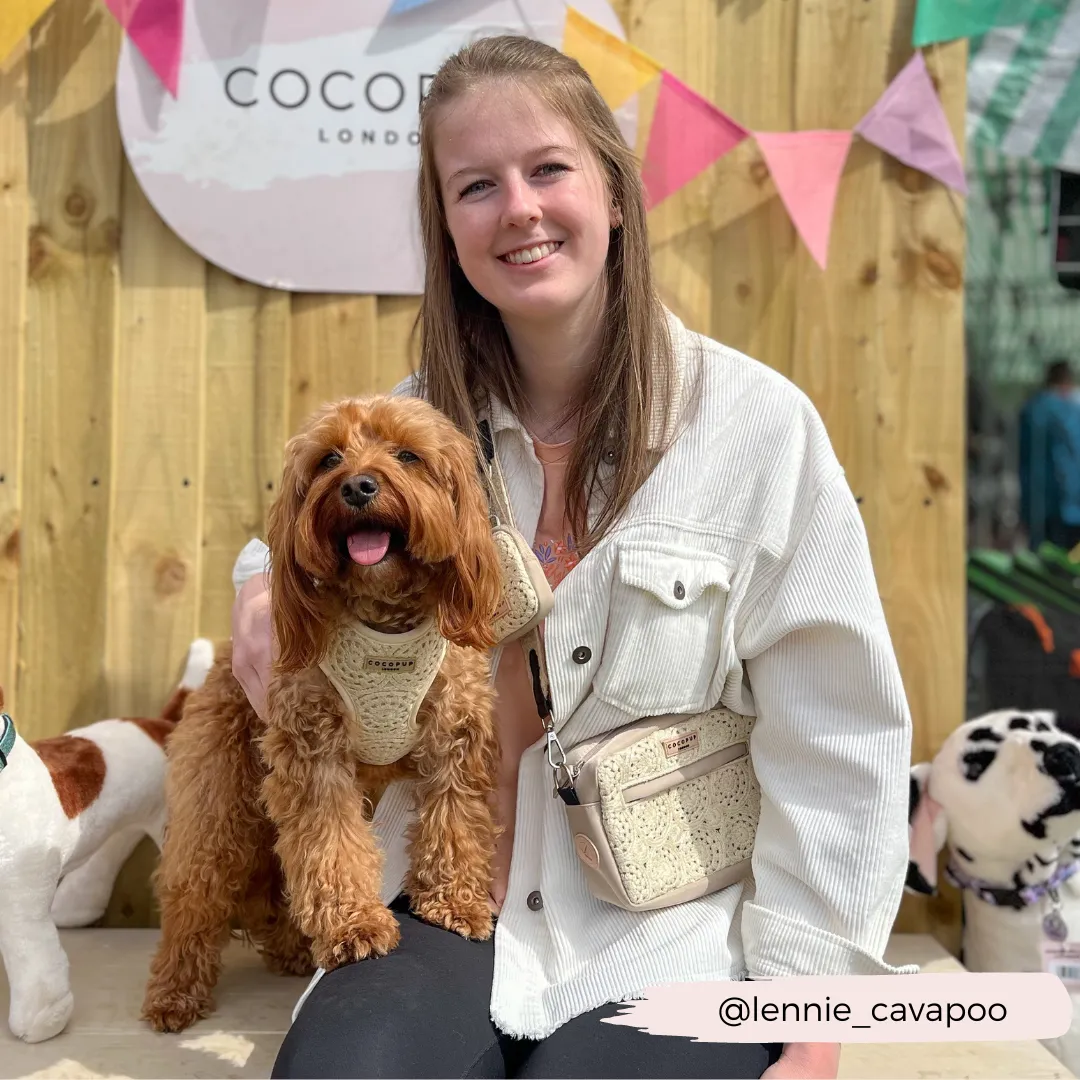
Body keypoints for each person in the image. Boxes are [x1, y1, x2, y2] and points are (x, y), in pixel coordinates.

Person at [229, 35, 914, 1080]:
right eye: (475, 186)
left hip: (679, 933)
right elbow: (304, 514)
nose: (518, 208)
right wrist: (250, 584)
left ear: (615, 189)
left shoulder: (758, 433)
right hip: (448, 906)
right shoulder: (416, 427)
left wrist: (813, 1019)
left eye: (547, 168)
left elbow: (840, 741)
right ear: (446, 226)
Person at [1018, 359, 1080, 553]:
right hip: (1068, 504)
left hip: (1036, 501)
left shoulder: (1030, 409)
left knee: (1040, 558)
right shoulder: (1069, 411)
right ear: (1067, 383)